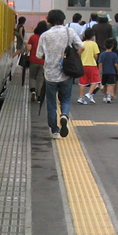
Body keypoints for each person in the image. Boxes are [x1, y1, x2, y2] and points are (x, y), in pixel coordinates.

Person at [36, 9, 83, 138]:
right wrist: (73, 58)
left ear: (49, 20)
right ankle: (64, 115)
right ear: (63, 19)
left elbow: (39, 54)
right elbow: (81, 46)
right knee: (66, 99)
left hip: (50, 74)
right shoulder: (69, 31)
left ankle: (55, 130)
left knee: (51, 103)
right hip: (66, 72)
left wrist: (50, 57)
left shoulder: (45, 35)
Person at [77, 28, 101, 103]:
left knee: (83, 82)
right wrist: (95, 60)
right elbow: (96, 55)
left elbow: (79, 54)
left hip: (83, 64)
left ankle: (81, 97)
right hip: (92, 64)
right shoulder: (94, 44)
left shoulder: (82, 43)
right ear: (93, 36)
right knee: (96, 80)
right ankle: (89, 93)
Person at [27, 20, 48, 103]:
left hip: (33, 60)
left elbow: (29, 48)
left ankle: (33, 91)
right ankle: (39, 96)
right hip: (43, 61)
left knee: (32, 76)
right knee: (41, 78)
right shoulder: (46, 38)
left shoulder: (33, 37)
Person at [98, 38, 118, 102]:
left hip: (104, 72)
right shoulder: (114, 55)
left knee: (104, 84)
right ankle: (109, 95)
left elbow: (100, 64)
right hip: (112, 72)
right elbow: (116, 64)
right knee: (110, 84)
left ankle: (105, 95)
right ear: (113, 46)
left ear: (104, 46)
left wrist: (100, 72)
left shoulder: (102, 54)